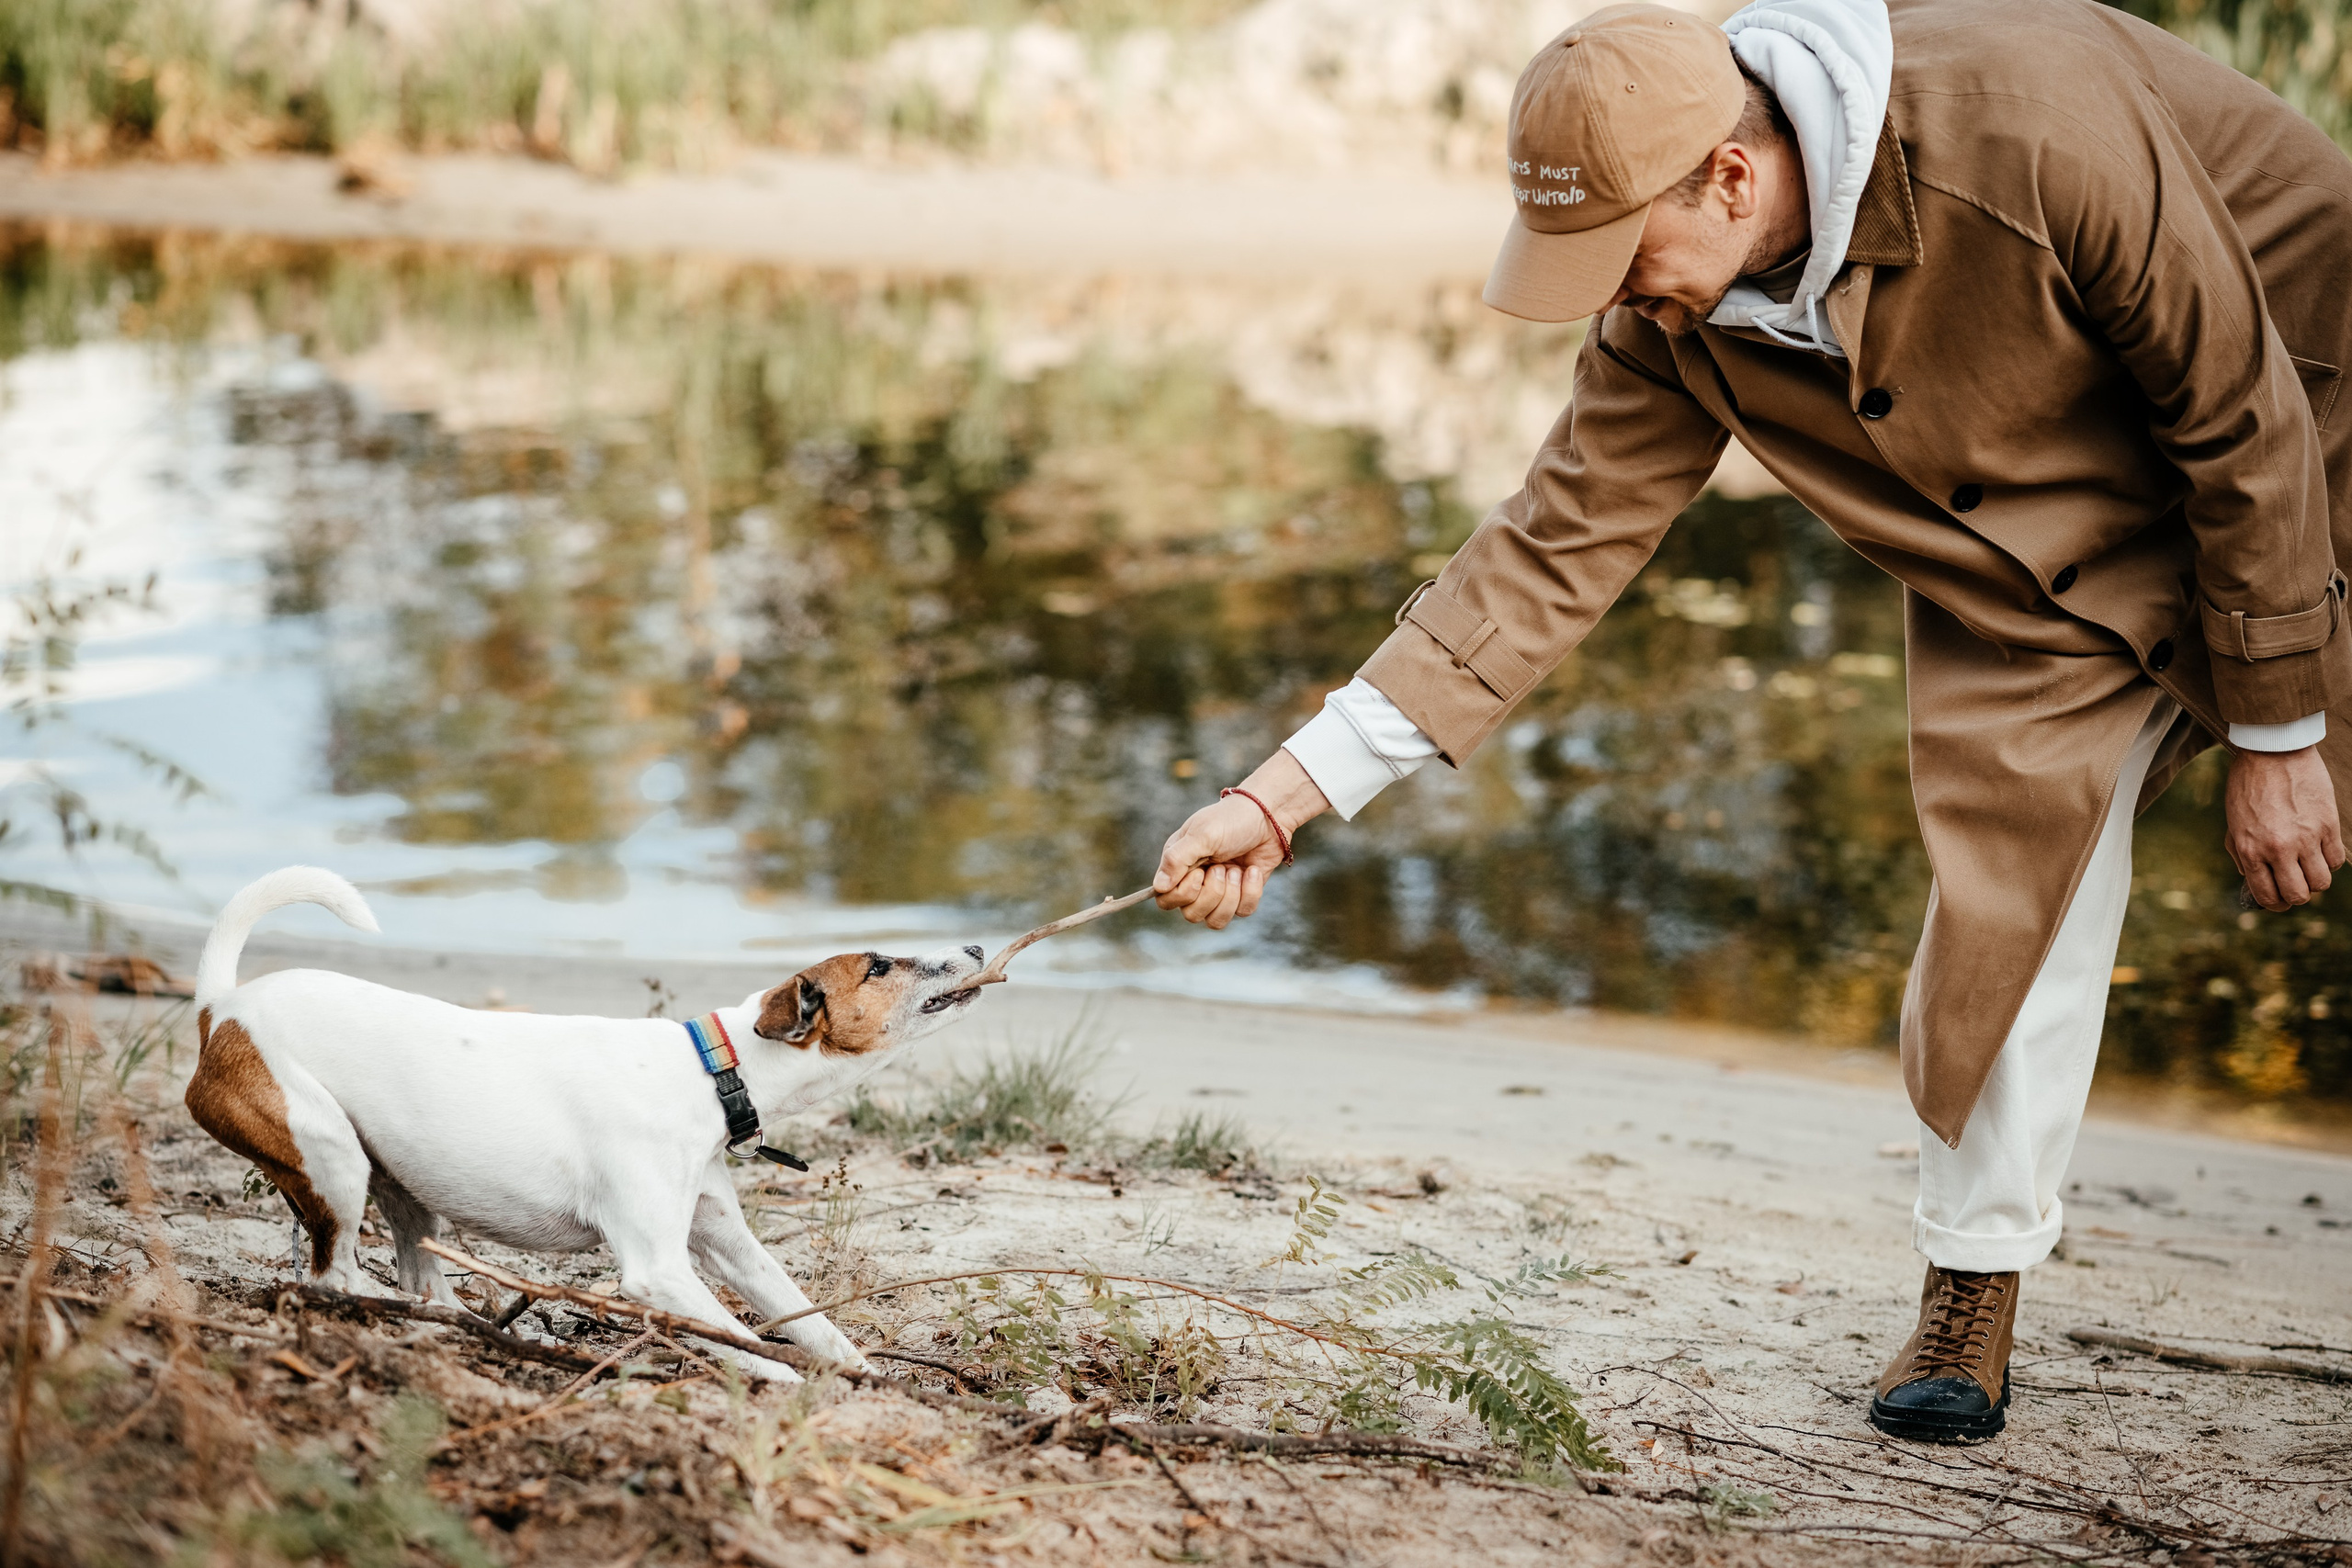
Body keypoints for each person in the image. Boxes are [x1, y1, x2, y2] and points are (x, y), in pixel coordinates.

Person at [1151, 0, 2352, 1445]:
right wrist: (1283, 794)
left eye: (1626, 258)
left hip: (2312, 428)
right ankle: (1973, 1288)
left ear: (1730, 175)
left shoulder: (2035, 128)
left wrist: (2281, 733)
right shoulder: (1677, 310)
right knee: (2003, 900)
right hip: (2028, 550)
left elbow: (2239, 415)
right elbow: (1547, 552)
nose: (1628, 298)